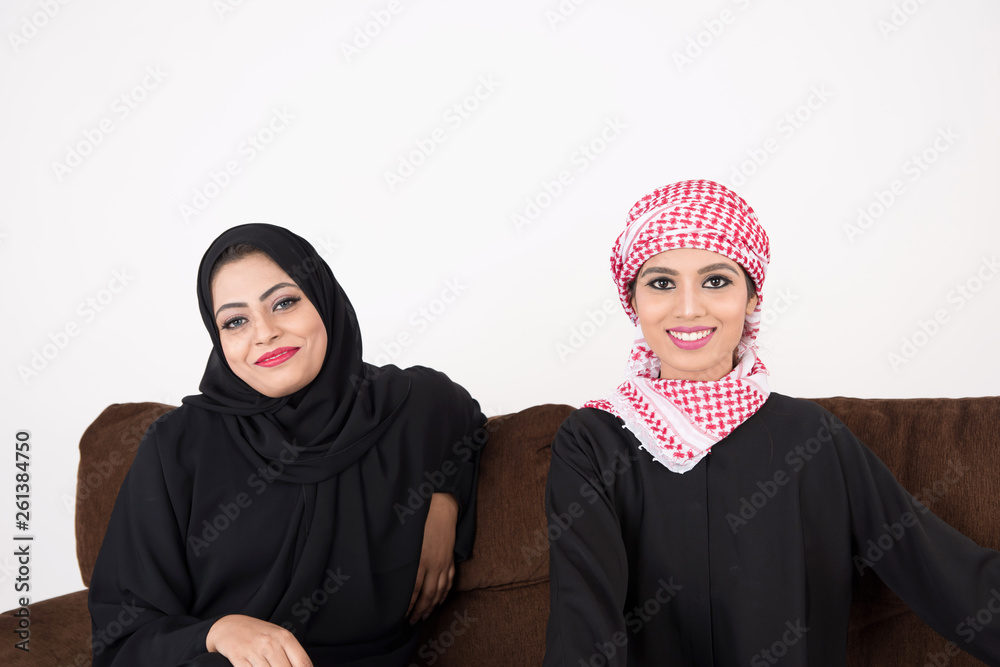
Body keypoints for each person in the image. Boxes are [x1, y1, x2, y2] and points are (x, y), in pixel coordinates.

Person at [543, 180, 1000, 666]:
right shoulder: (592, 441)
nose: (689, 307)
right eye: (661, 283)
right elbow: (582, 629)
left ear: (753, 297)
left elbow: (943, 573)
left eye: (716, 280)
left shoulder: (811, 437)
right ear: (632, 302)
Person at [88, 224, 487, 666]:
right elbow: (124, 635)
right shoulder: (178, 446)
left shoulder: (405, 405)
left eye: (284, 302)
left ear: (324, 300)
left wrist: (443, 501)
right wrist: (219, 632)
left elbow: (462, 416)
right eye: (236, 321)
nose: (265, 333)